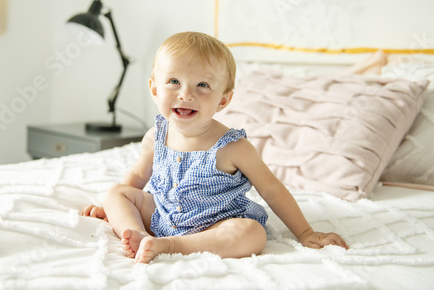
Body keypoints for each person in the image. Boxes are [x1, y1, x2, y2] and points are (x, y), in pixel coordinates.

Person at [81, 31, 348, 264]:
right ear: (154, 89)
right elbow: (138, 178)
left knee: (252, 234)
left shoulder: (233, 147)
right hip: (161, 215)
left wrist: (305, 232)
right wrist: (111, 208)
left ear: (223, 100)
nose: (186, 94)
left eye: (203, 85)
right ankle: (135, 233)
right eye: (173, 81)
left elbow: (272, 190)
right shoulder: (156, 136)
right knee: (117, 192)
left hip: (215, 223)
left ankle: (173, 246)